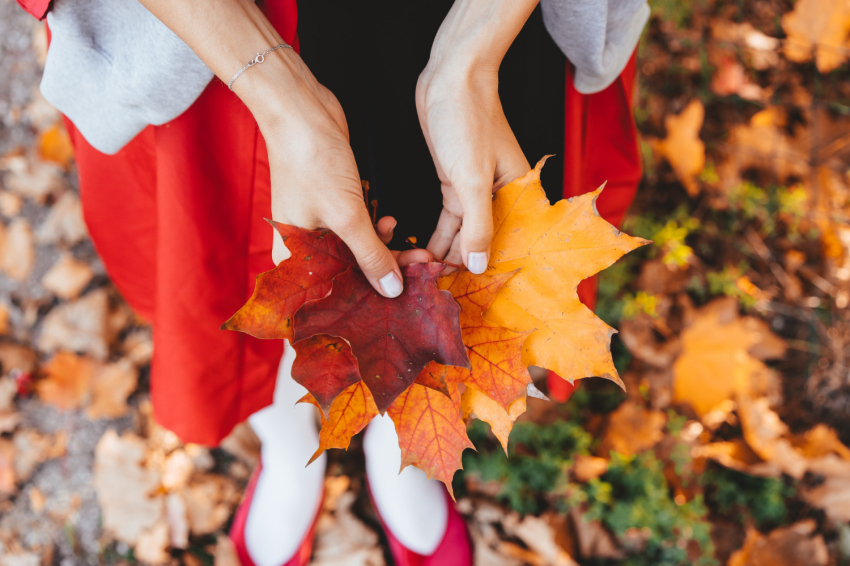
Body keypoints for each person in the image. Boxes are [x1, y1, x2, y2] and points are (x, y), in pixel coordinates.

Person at [17, 0, 648, 564]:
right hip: (213, 36)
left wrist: (477, 47)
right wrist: (275, 91)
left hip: (479, 24)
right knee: (262, 284)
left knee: (459, 258)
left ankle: (406, 461)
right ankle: (291, 453)